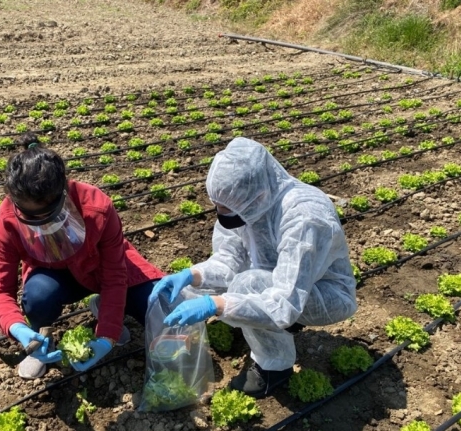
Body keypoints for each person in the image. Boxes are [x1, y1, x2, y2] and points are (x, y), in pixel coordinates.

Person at [149, 137, 357, 398]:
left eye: (225, 206)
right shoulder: (244, 205)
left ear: (256, 194)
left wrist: (217, 305)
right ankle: (257, 324)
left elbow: (284, 301)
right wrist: (192, 275)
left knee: (247, 285)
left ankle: (274, 368)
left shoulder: (305, 217)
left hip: (324, 293)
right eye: (218, 205)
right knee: (206, 290)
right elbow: (227, 260)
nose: (221, 212)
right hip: (273, 278)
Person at [0, 132, 164, 379]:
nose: (42, 225)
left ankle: (105, 308)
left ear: (64, 193)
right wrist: (17, 327)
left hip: (99, 268)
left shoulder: (97, 207)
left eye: (48, 216)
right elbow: (0, 290)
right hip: (54, 278)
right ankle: (39, 343)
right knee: (38, 296)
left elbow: (114, 274)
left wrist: (107, 335)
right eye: (32, 219)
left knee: (158, 310)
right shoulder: (7, 220)